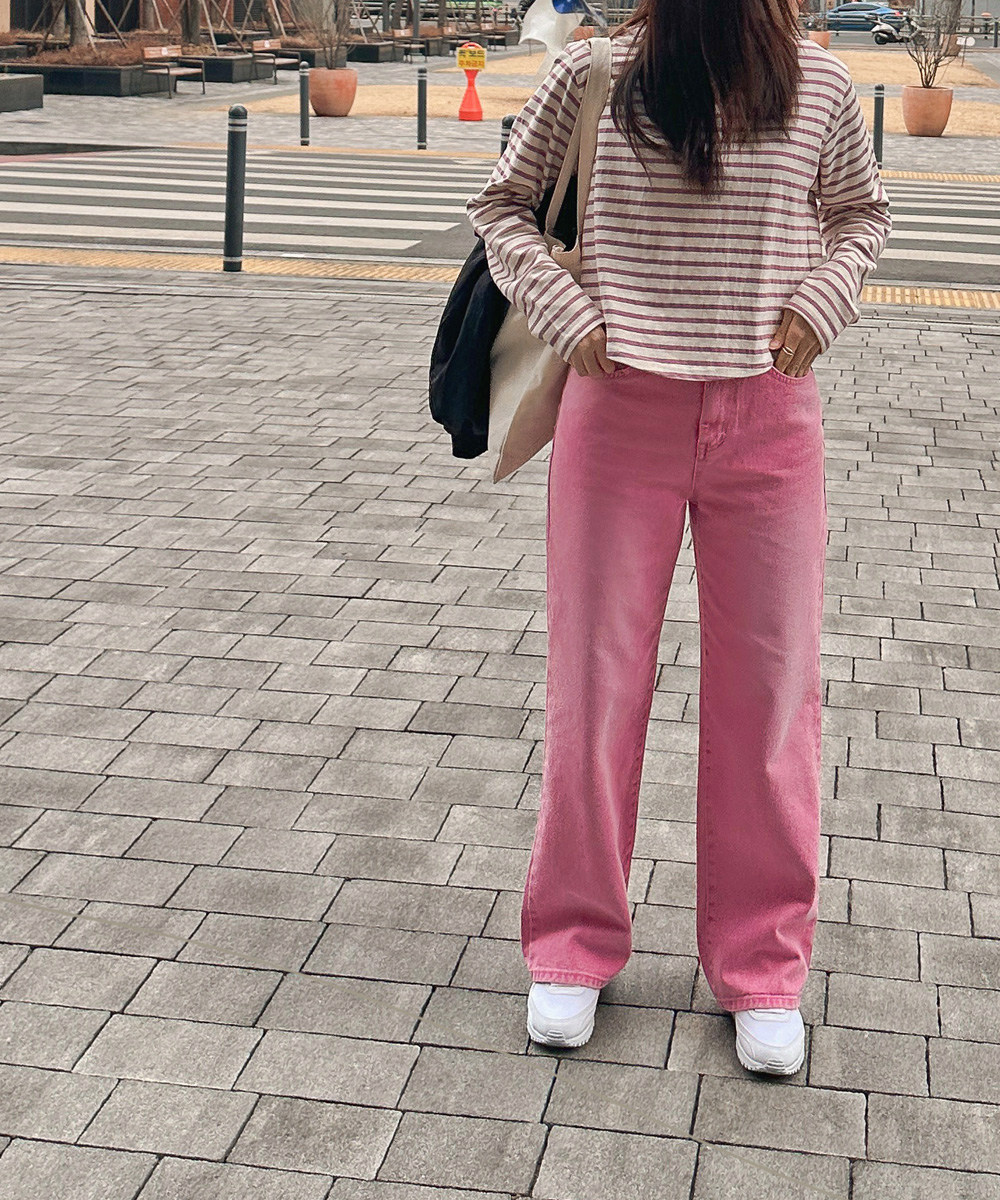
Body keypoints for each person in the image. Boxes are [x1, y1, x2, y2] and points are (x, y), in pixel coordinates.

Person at [465, 0, 891, 1076]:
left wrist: (824, 296)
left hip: (769, 416)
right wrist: (566, 310)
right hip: (619, 413)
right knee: (594, 685)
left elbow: (861, 214)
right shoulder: (595, 77)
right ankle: (572, 942)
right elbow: (503, 206)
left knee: (771, 695)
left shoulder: (819, 85)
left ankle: (763, 962)